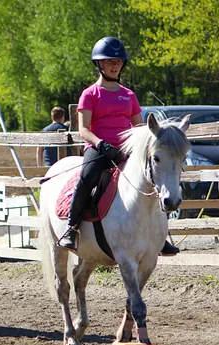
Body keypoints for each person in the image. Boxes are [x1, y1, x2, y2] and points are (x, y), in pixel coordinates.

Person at [58, 37, 179, 256]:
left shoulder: (129, 95)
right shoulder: (90, 94)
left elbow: (140, 127)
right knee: (87, 177)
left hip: (127, 151)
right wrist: (101, 144)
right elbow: (83, 129)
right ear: (99, 64)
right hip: (99, 149)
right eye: (109, 61)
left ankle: (160, 236)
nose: (115, 65)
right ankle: (71, 228)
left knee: (153, 180)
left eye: (118, 61)